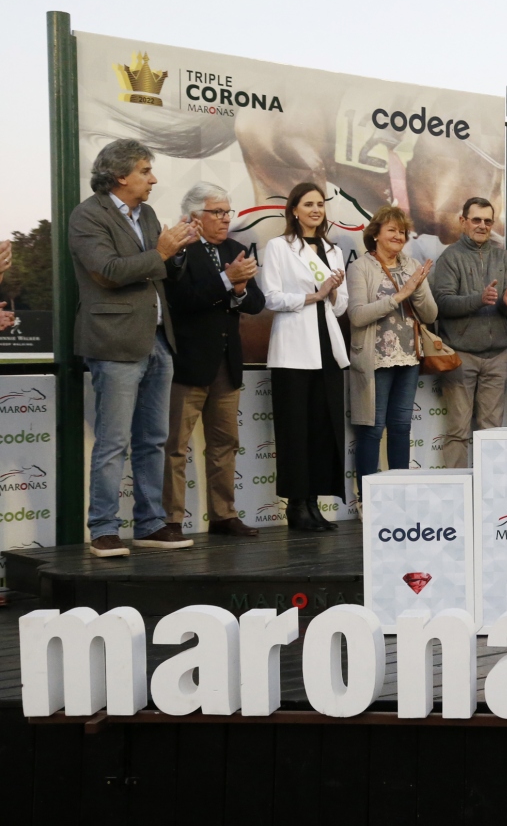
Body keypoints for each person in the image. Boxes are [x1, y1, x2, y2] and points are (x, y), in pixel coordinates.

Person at [69, 138, 198, 556]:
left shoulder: (149, 215)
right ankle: (104, 528)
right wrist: (161, 251)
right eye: (145, 171)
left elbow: (161, 272)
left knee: (153, 439)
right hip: (114, 340)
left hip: (158, 340)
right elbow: (107, 272)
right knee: (113, 442)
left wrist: (177, 253)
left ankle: (151, 524)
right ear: (119, 175)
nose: (153, 179)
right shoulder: (88, 215)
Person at [162, 182, 265, 538]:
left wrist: (240, 289)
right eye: (217, 212)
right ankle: (171, 520)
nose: (225, 219)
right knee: (176, 446)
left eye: (227, 212)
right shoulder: (179, 251)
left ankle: (223, 515)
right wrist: (226, 280)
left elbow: (257, 303)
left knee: (224, 444)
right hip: (188, 363)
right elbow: (182, 301)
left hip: (227, 362)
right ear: (195, 217)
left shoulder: (236, 249)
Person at [260, 182, 349, 531]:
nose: (315, 210)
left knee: (322, 429)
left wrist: (333, 293)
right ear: (294, 210)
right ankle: (296, 506)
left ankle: (314, 503)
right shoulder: (279, 247)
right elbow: (271, 297)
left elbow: (341, 306)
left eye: (320, 204)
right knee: (295, 430)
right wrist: (314, 295)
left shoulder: (334, 251)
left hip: (327, 348)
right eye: (308, 204)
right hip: (293, 351)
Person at [348, 206, 436, 503]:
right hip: (374, 359)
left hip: (409, 358)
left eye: (402, 231)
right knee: (372, 430)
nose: (399, 236)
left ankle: (400, 498)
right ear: (375, 234)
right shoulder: (361, 267)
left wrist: (417, 289)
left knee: (400, 427)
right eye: (392, 230)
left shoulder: (412, 265)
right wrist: (399, 295)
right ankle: (367, 500)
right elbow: (357, 315)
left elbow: (431, 314)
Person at [429, 197, 507, 467]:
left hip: (496, 356)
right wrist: (478, 299)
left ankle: (489, 487)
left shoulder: (504, 257)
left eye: (488, 221)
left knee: (491, 431)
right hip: (460, 355)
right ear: (463, 221)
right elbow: (442, 303)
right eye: (476, 220)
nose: (482, 225)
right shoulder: (449, 257)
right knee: (458, 430)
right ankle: (455, 488)